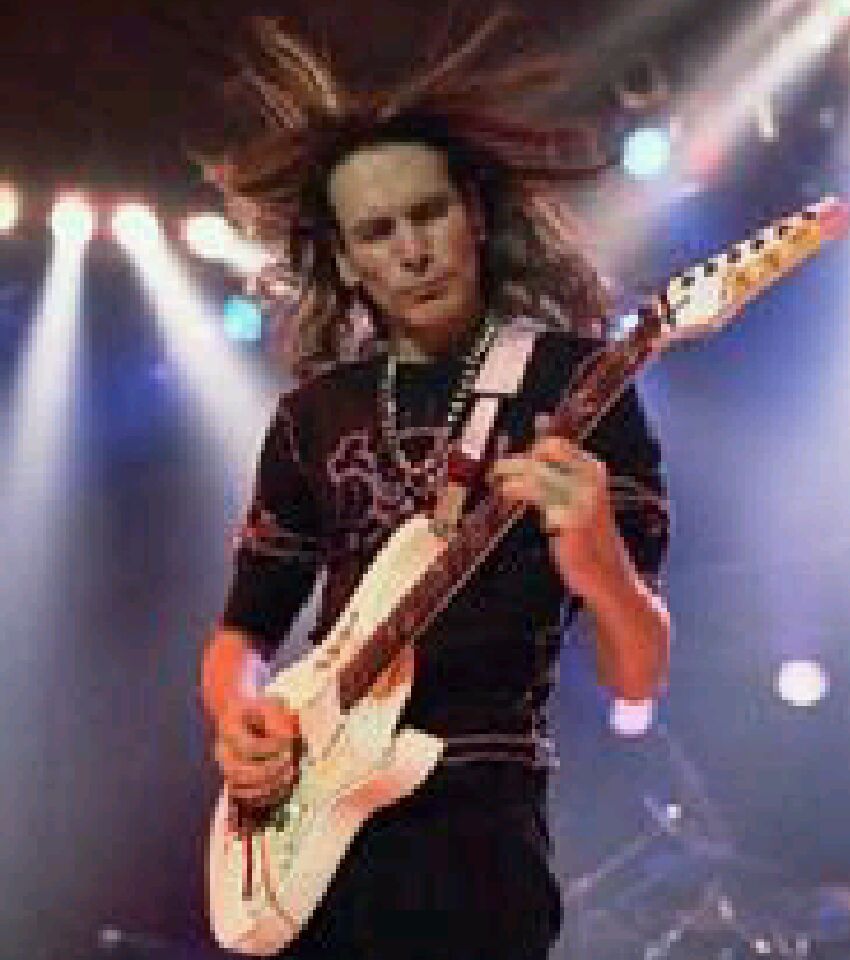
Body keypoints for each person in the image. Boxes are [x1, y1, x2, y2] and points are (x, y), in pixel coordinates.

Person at [199, 15, 670, 959]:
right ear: (345, 259)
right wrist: (239, 718)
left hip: (477, 831)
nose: (411, 251)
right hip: (313, 835)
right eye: (377, 232)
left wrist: (598, 561)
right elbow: (242, 634)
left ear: (475, 217)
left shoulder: (577, 384)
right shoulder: (311, 415)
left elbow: (638, 673)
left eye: (429, 214)